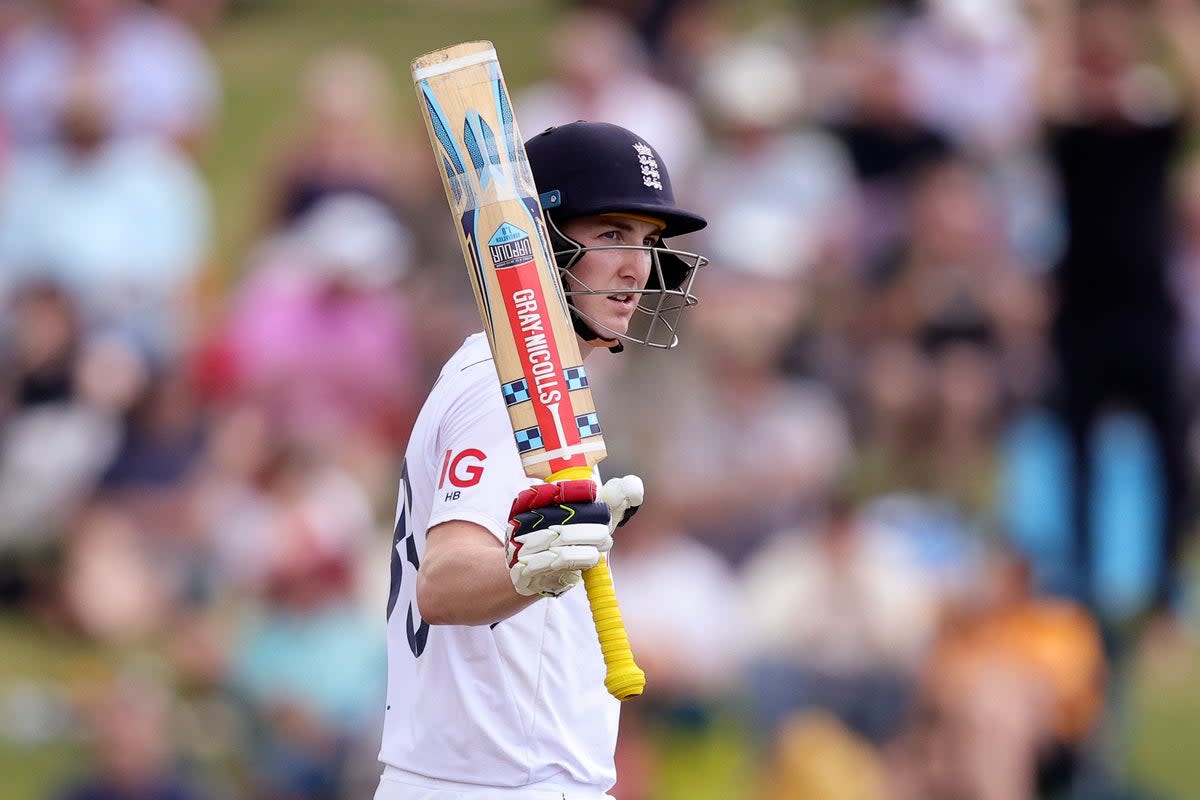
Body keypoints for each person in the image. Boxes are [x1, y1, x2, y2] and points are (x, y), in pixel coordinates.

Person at [374, 121, 708, 800]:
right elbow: (442, 582)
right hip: (497, 783)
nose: (637, 266)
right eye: (612, 234)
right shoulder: (506, 384)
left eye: (647, 242)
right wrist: (532, 569)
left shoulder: (535, 380)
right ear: (539, 243)